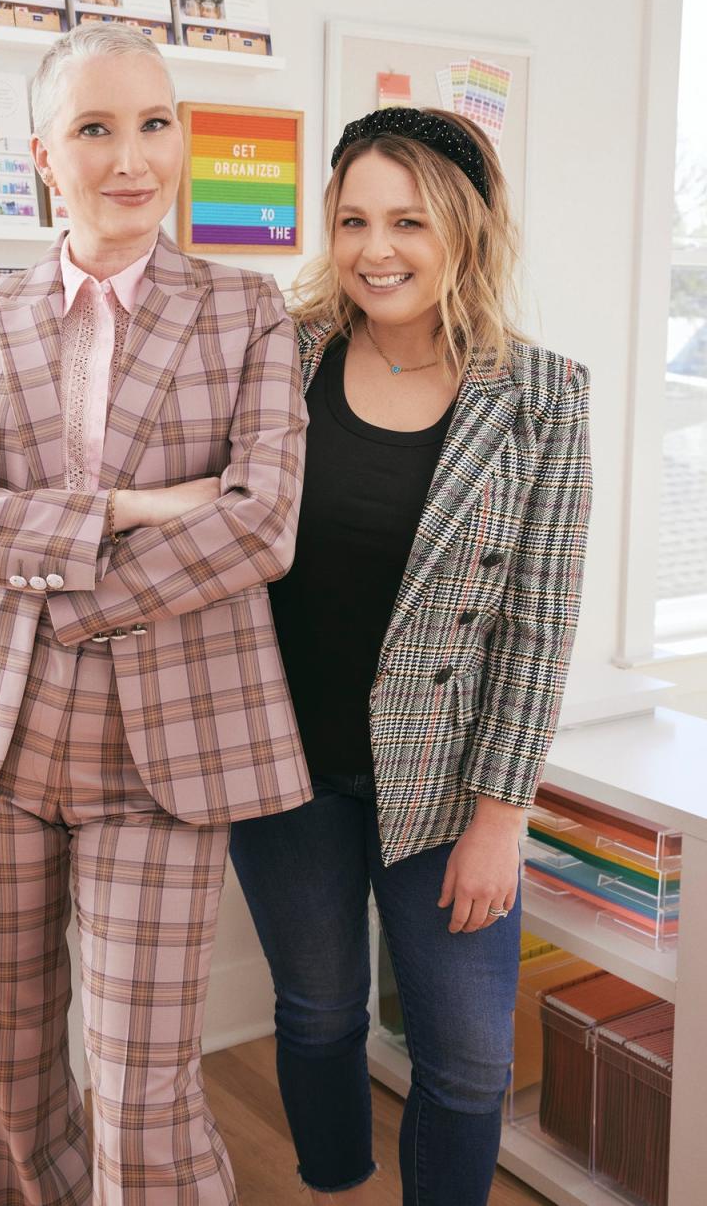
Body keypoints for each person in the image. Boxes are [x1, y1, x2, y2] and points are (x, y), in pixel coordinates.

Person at [0, 21, 311, 1206]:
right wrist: (125, 504)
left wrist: (37, 560)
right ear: (42, 158)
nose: (133, 157)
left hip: (163, 752)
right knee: (2, 1071)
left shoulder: (248, 311)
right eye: (96, 128)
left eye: (155, 123)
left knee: (140, 1089)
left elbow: (262, 525)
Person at [228, 107, 593, 1205]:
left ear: (466, 230)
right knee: (321, 1011)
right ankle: (334, 1184)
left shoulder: (542, 396)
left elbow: (541, 620)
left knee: (473, 1063)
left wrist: (502, 813)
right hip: (284, 764)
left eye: (408, 221)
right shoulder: (276, 356)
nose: (375, 248)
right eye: (352, 219)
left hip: (447, 786)